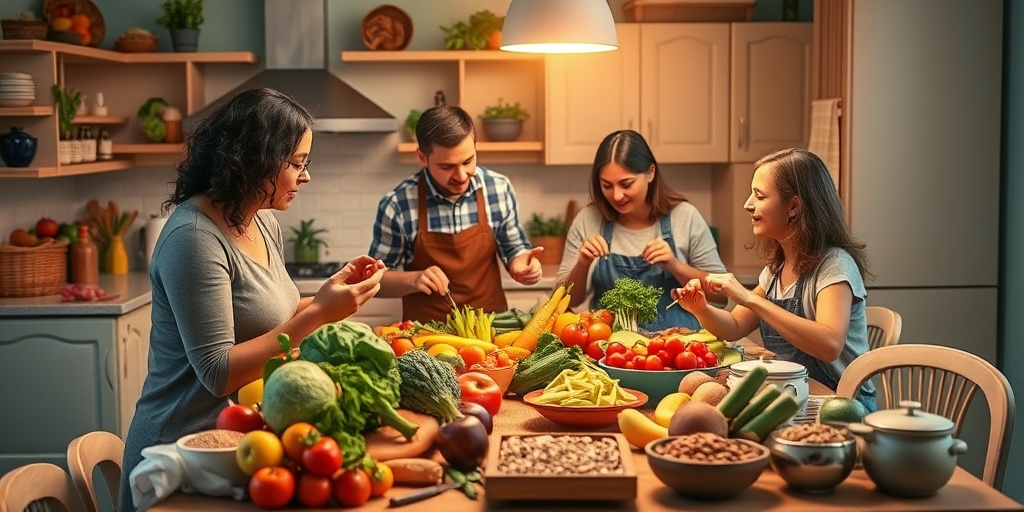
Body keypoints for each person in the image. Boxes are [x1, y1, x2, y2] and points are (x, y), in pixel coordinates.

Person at [120, 88, 386, 510]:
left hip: (241, 446)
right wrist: (319, 312)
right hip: (182, 455)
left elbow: (268, 318)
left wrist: (328, 297)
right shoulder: (194, 239)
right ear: (254, 160)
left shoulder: (261, 221)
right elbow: (217, 372)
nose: (306, 176)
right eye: (297, 164)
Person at [671, 147, 876, 411]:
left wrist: (749, 299)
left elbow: (829, 345)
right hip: (796, 400)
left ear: (793, 206)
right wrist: (701, 309)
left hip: (842, 407)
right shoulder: (776, 270)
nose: (747, 204)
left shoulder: (834, 265)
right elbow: (734, 325)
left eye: (759, 195)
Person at [368, 105, 542, 322]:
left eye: (468, 161)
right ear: (423, 157)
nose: (460, 175)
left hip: (492, 330)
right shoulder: (397, 205)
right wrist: (414, 279)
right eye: (447, 166)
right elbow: (376, 281)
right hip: (427, 337)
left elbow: (514, 247)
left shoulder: (498, 188)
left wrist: (521, 265)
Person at [557, 129, 726, 332]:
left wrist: (675, 265)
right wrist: (582, 263)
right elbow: (564, 301)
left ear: (650, 173)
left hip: (679, 350)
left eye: (626, 184)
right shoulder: (588, 219)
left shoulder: (685, 217)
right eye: (607, 185)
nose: (617, 195)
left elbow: (721, 295)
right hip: (609, 351)